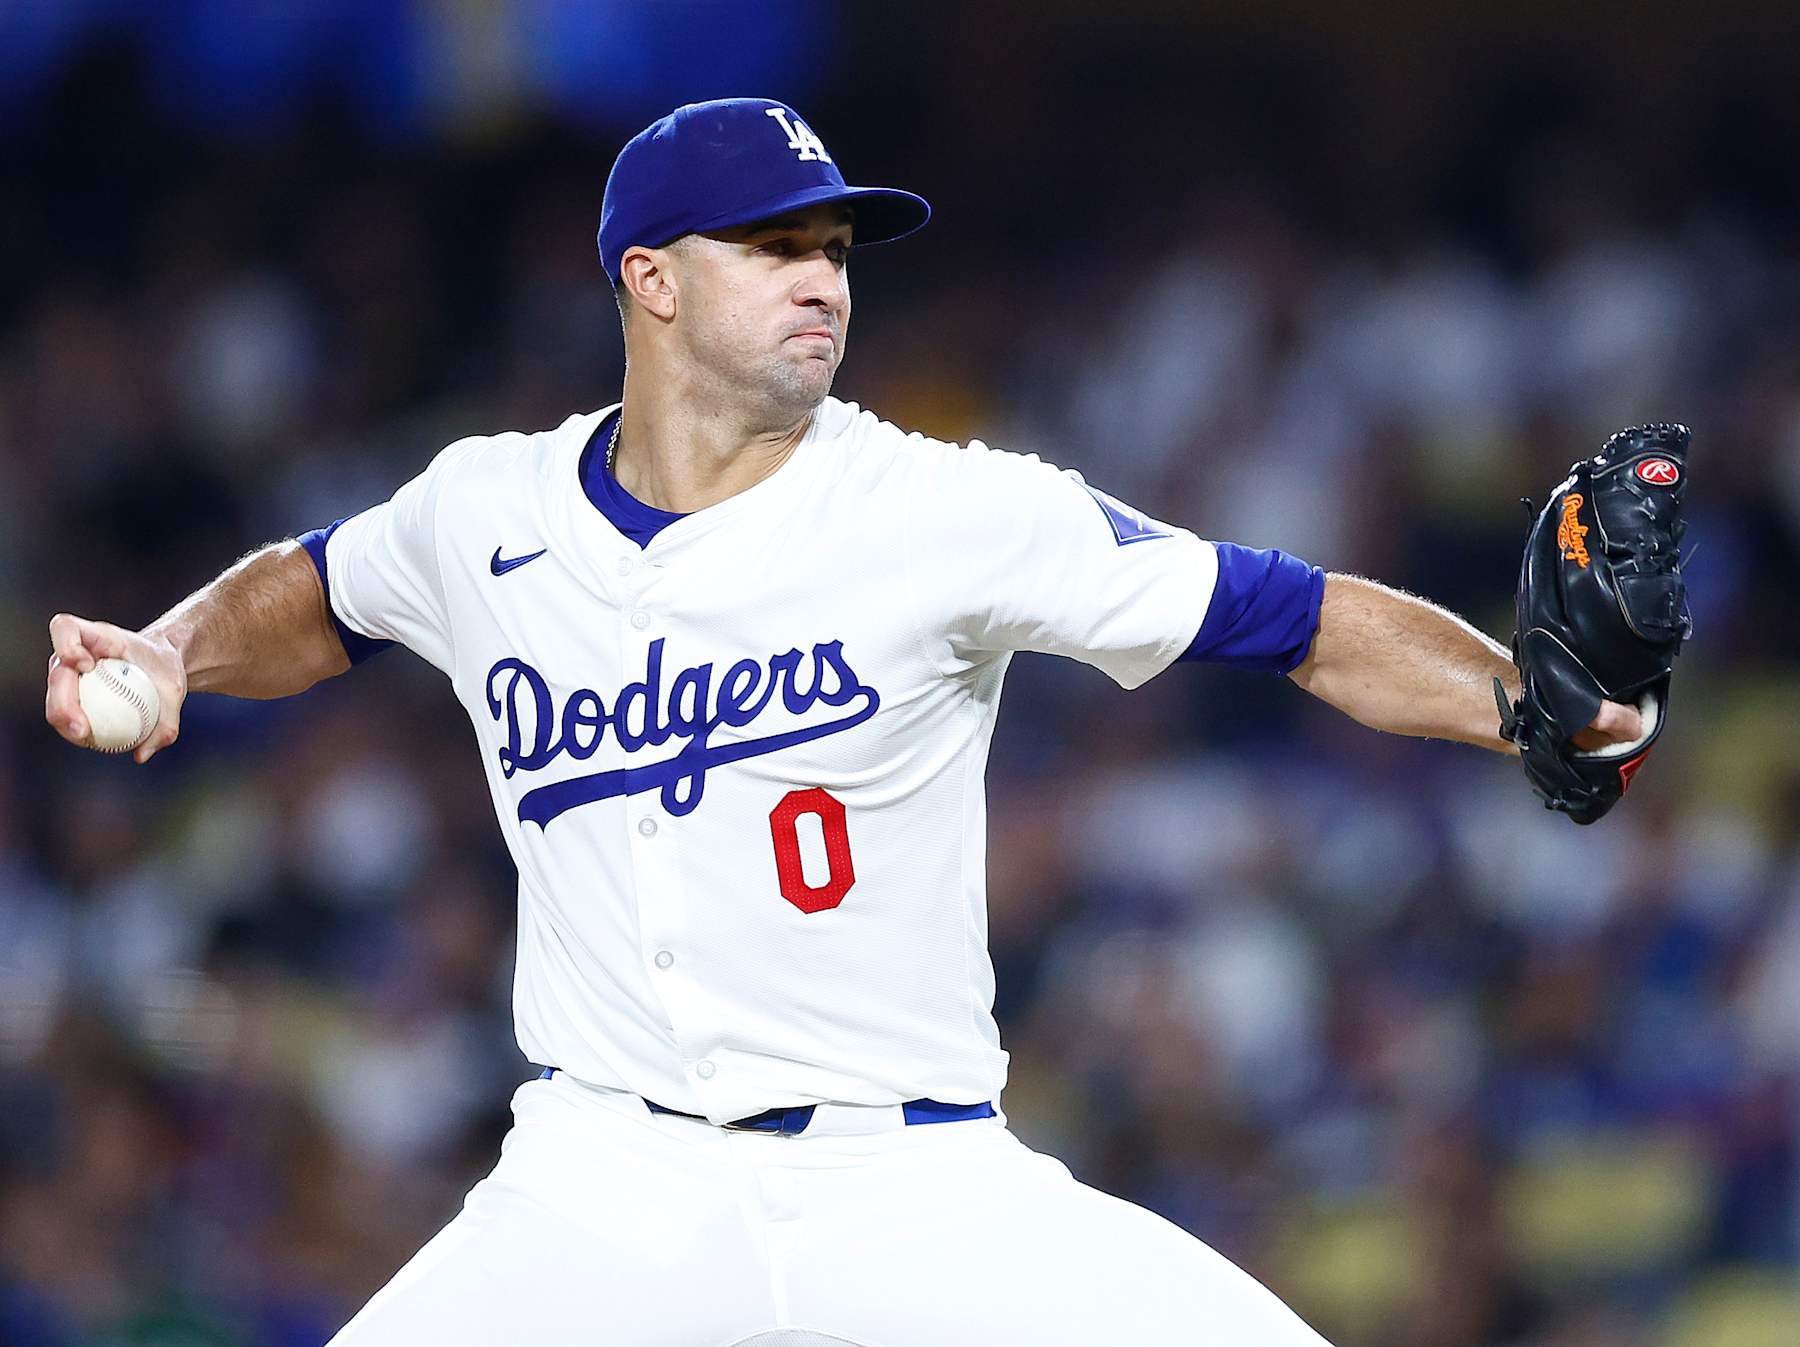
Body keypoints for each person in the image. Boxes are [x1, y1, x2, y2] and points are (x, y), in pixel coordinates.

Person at [44, 98, 1644, 1346]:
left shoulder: (948, 507)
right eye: (773, 243)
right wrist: (176, 652)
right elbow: (317, 594)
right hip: (606, 1181)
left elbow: (1293, 619)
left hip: (914, 1176)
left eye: (837, 247)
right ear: (649, 281)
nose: (824, 275)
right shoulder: (488, 513)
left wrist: (1523, 706)